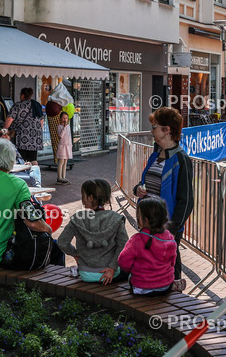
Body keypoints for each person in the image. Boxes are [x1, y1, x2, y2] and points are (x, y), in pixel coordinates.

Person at [0, 138, 65, 269]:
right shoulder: (18, 184)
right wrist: (49, 230)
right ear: (10, 162)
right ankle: (55, 284)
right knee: (55, 247)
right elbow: (32, 221)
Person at [135, 107, 194, 292]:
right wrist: (137, 189)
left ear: (167, 130)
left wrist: (172, 229)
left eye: (154, 127)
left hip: (167, 227)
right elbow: (144, 182)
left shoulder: (181, 159)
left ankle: (174, 302)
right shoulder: (155, 154)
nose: (151, 131)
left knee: (170, 264)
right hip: (147, 223)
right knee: (150, 265)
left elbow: (186, 200)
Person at [57, 179, 129, 284]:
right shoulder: (116, 218)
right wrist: (112, 268)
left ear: (90, 198)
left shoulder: (78, 218)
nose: (81, 198)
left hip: (85, 274)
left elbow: (62, 242)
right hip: (111, 274)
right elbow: (123, 245)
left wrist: (75, 255)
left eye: (83, 195)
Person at [117, 195, 176, 297]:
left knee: (127, 276)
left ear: (146, 220)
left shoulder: (137, 239)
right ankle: (174, 284)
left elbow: (123, 262)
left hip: (141, 287)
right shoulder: (169, 238)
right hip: (165, 286)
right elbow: (172, 262)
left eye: (138, 216)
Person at [5, 87, 44, 164]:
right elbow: (41, 120)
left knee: (21, 157)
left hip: (23, 136)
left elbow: (10, 119)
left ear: (22, 95)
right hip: (35, 136)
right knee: (33, 158)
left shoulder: (18, 105)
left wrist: (4, 129)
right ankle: (36, 174)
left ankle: (22, 174)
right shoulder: (36, 105)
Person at [55, 111, 73, 185]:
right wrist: (64, 127)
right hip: (62, 146)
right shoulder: (59, 127)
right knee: (61, 162)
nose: (65, 119)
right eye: (63, 118)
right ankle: (59, 178)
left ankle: (63, 177)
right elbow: (60, 136)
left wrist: (70, 145)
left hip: (67, 146)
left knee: (65, 162)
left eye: (66, 118)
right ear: (60, 119)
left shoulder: (68, 126)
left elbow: (69, 137)